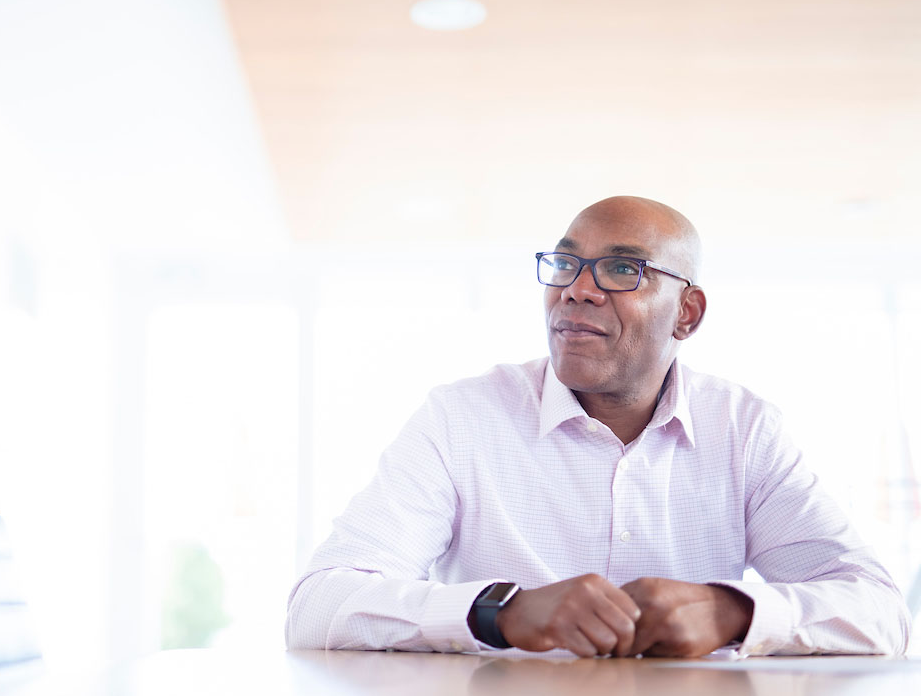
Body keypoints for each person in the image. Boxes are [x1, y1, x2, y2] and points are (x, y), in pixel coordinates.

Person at [284, 196, 911, 657]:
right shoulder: (460, 418)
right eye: (565, 264)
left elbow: (881, 613)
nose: (576, 291)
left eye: (621, 270)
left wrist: (736, 610)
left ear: (686, 313)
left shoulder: (746, 430)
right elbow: (317, 606)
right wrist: (498, 611)